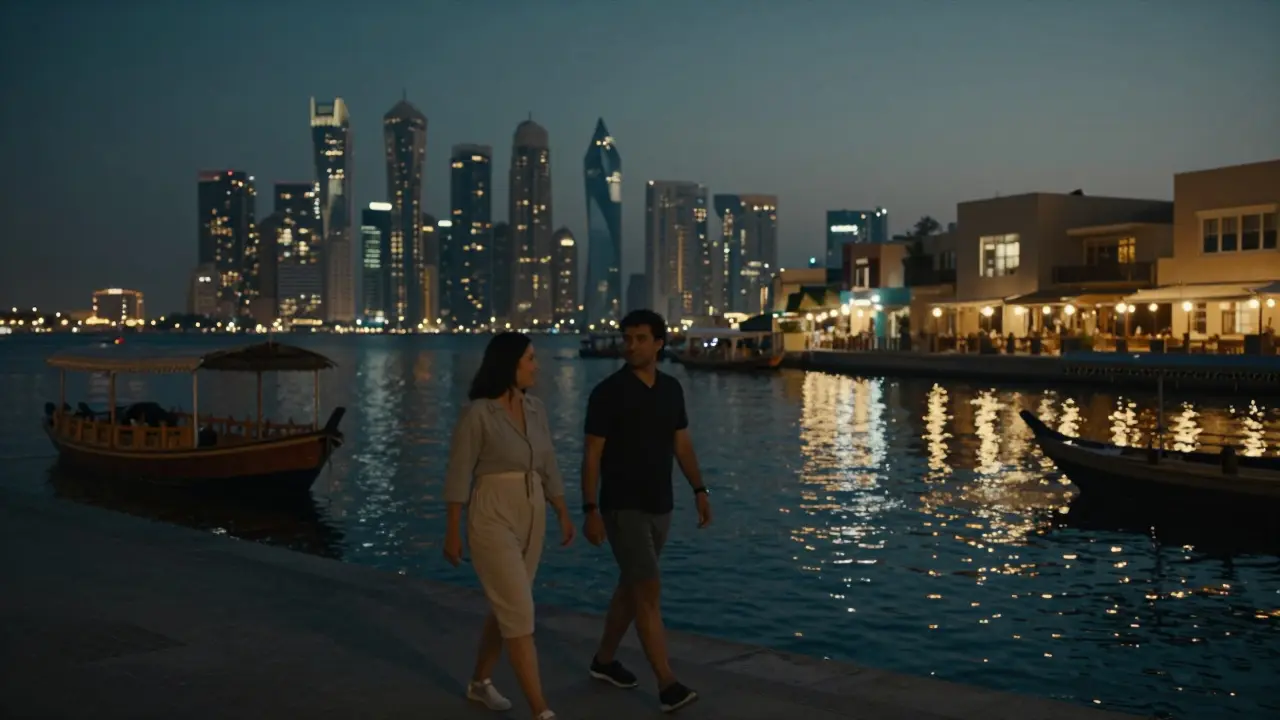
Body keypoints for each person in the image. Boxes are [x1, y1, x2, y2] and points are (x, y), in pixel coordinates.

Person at [580, 309, 712, 714]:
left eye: (640, 338)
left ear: (659, 343)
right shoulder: (608, 392)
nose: (631, 345)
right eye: (628, 338)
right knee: (649, 590)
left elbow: (682, 445)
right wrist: (590, 509)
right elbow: (592, 456)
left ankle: (604, 661)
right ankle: (667, 684)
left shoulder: (672, 389)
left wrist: (700, 490)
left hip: (661, 505)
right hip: (623, 506)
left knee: (632, 586)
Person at [442, 332, 574, 720]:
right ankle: (541, 710)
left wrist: (562, 509)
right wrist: (452, 529)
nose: (537, 366)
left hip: (532, 509)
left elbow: (548, 462)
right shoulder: (479, 414)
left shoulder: (536, 409)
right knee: (519, 611)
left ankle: (480, 682)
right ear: (510, 364)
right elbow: (459, 473)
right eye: (530, 358)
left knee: (508, 606)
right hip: (492, 512)